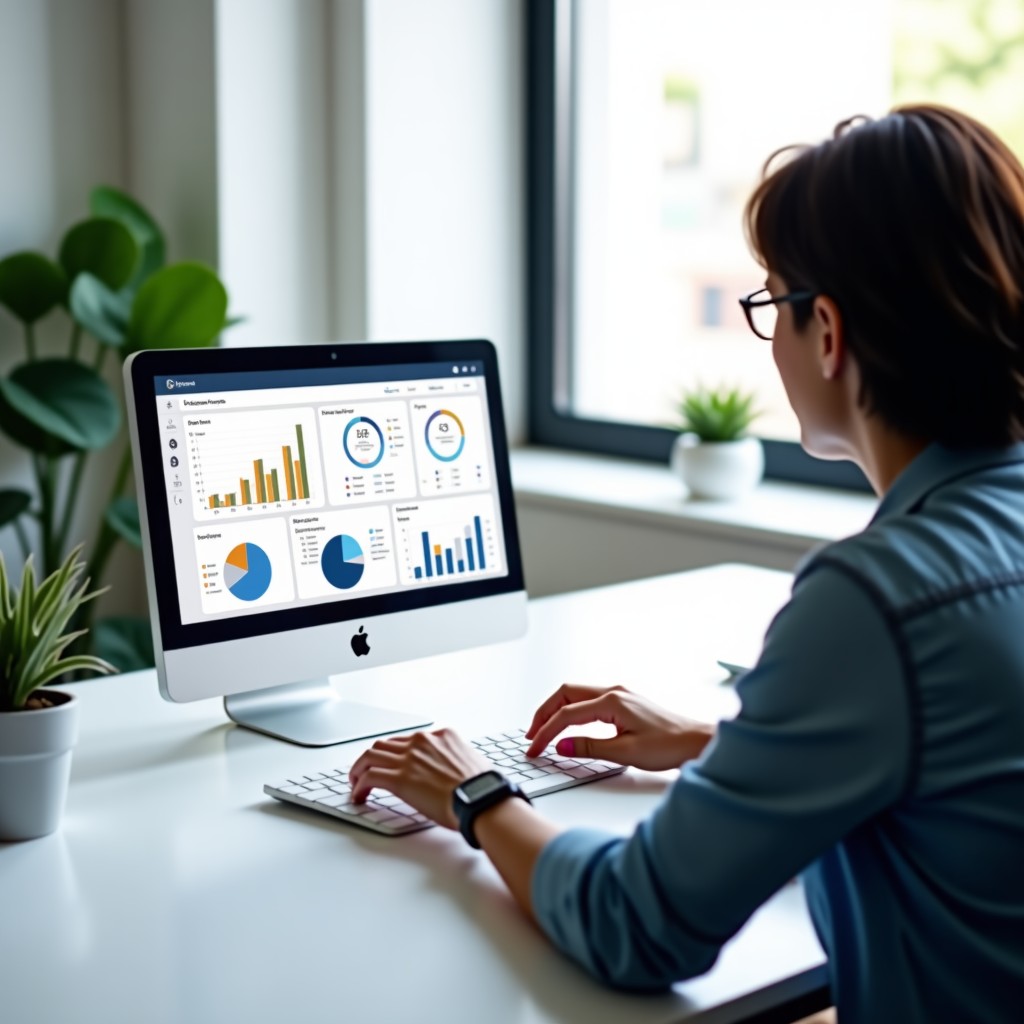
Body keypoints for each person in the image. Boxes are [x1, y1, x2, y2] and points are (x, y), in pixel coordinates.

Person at [350, 105, 1024, 1022]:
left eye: (770, 304)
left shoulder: (878, 601)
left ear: (825, 331)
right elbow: (976, 778)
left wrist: (474, 794)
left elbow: (639, 923)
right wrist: (727, 748)